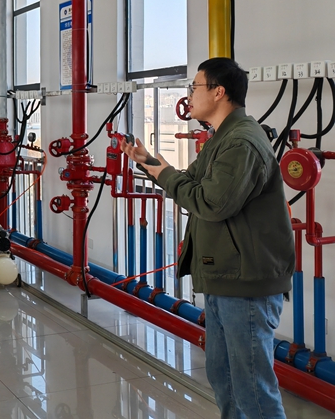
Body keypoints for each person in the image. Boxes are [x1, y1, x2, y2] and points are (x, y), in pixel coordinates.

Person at [122, 57, 294, 419]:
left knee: (252, 391)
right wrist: (148, 162)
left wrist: (165, 174)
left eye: (195, 87)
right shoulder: (223, 138)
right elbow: (190, 181)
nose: (189, 95)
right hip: (225, 278)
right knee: (225, 379)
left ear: (219, 92)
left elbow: (211, 203)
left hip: (246, 284)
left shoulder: (242, 142)